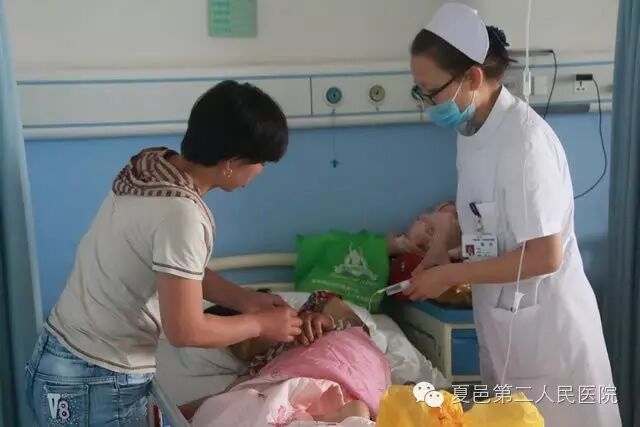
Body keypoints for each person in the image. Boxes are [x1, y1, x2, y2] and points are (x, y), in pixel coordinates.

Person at [24, 80, 303, 426]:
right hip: (95, 380)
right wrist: (259, 324)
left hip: (59, 359)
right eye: (261, 162)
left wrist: (246, 300)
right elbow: (185, 330)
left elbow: (178, 272)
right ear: (231, 162)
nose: (260, 172)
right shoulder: (181, 214)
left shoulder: (150, 171)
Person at [405, 4, 621, 426]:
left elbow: (545, 255)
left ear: (472, 78)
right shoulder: (472, 130)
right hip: (508, 328)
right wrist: (441, 246)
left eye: (430, 91)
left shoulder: (525, 145)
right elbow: (485, 214)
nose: (427, 103)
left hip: (550, 339)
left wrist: (451, 274)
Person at [183, 291, 390, 426]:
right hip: (301, 399)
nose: (244, 346)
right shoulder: (261, 367)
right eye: (235, 345)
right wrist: (177, 412)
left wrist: (328, 321)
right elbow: (226, 400)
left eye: (247, 337)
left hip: (343, 370)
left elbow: (359, 330)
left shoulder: (314, 307)